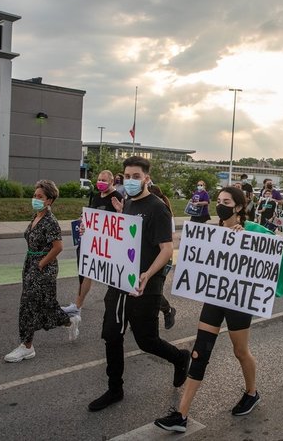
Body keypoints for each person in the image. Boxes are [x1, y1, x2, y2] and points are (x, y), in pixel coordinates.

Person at [154, 186, 283, 433]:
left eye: (226, 201)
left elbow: (276, 253)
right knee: (199, 352)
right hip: (215, 299)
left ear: (238, 207)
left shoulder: (254, 230)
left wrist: (247, 239)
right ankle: (181, 415)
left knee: (240, 351)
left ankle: (251, 393)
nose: (220, 204)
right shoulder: (214, 232)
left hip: (238, 301)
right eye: (218, 200)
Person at [88, 156, 190, 412]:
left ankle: (180, 358)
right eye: (127, 177)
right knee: (112, 335)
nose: (131, 181)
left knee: (146, 340)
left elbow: (166, 250)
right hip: (120, 282)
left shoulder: (157, 207)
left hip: (146, 284)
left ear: (146, 178)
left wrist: (147, 274)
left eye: (136, 176)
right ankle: (115, 389)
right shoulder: (129, 203)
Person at [4, 180, 81, 362]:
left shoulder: (50, 221)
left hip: (43, 268)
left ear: (49, 200)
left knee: (28, 306)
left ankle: (26, 347)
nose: (35, 199)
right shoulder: (36, 216)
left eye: (40, 197)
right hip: (31, 263)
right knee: (45, 307)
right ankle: (70, 321)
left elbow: (58, 247)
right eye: (35, 195)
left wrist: (41, 263)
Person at [63, 170, 124, 319]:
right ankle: (78, 305)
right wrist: (83, 220)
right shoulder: (96, 196)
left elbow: (121, 221)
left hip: (108, 246)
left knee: (114, 280)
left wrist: (120, 212)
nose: (100, 182)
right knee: (85, 273)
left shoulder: (117, 197)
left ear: (111, 182)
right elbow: (91, 215)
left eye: (104, 180)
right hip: (91, 243)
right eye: (99, 179)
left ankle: (123, 310)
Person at [147, 180, 178, 329]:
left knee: (154, 292)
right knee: (144, 289)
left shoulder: (163, 213)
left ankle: (167, 310)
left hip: (162, 259)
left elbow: (168, 242)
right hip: (147, 257)